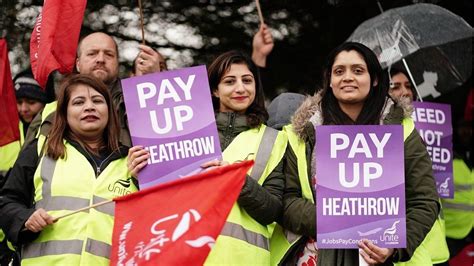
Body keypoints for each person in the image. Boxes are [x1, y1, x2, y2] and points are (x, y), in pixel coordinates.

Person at [278, 42, 439, 265]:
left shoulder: (403, 129)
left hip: (384, 258)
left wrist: (395, 246)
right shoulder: (302, 132)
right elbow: (286, 199)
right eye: (339, 71)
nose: (347, 77)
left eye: (358, 70)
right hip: (319, 257)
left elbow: (425, 200)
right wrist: (336, 221)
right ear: (330, 81)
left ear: (374, 79)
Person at [127, 50, 287, 265]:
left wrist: (235, 180)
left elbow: (273, 211)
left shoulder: (274, 139)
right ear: (214, 90)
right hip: (184, 256)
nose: (241, 88)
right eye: (230, 82)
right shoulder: (182, 131)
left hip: (245, 260)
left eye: (247, 80)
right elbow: (160, 202)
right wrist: (140, 176)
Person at [0, 74, 138, 265]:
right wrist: (24, 219)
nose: (89, 107)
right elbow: (6, 202)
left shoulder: (133, 161)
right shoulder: (40, 149)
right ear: (64, 112)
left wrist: (143, 180)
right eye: (79, 102)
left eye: (97, 100)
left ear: (110, 111)